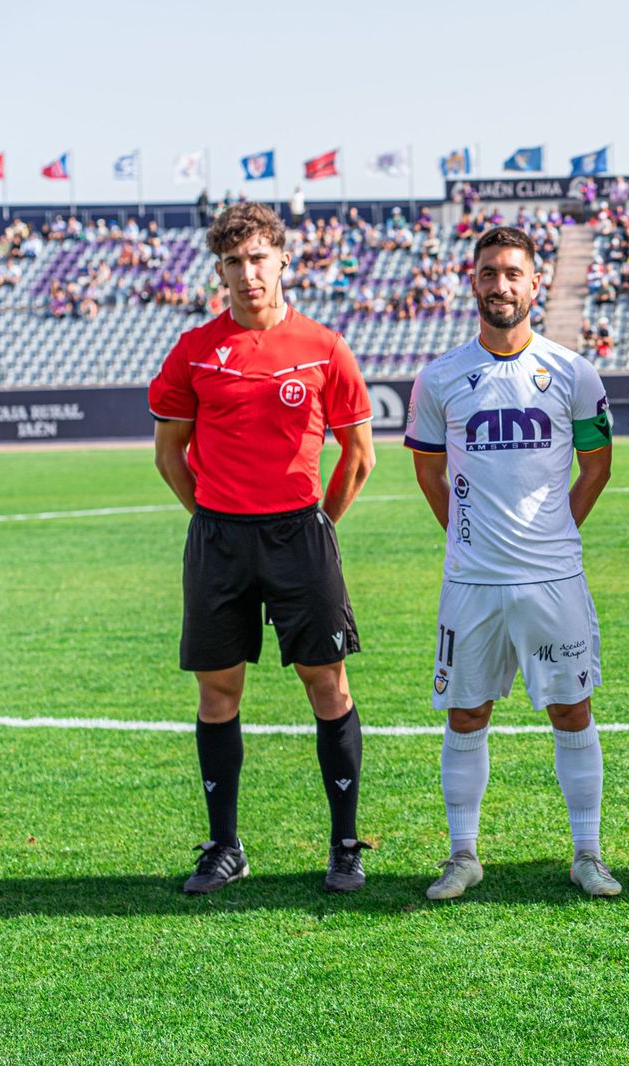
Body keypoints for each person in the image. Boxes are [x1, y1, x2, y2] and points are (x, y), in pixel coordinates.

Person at [148, 201, 377, 895]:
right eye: (233, 263)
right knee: (218, 692)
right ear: (218, 270)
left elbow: (359, 456)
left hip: (300, 534)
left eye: (258, 259)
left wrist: (318, 525)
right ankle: (225, 845)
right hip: (219, 539)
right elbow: (169, 454)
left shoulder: (324, 346)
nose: (248, 274)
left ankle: (344, 844)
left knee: (326, 683)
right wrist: (216, 515)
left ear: (282, 259)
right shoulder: (194, 350)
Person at [406, 226, 619, 901]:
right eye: (490, 273)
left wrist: (554, 531)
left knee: (571, 711)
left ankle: (587, 853)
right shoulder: (439, 377)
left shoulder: (572, 372)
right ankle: (463, 855)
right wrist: (470, 537)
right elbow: (429, 472)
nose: (501, 285)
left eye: (514, 274)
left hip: (553, 580)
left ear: (535, 285)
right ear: (474, 282)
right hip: (472, 583)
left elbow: (596, 466)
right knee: (466, 714)